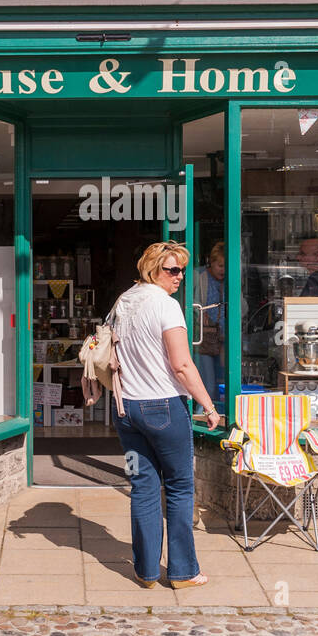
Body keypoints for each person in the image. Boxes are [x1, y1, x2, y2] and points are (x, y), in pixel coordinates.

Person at [111, 241, 222, 589]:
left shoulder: (124, 301)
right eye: (171, 269)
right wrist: (208, 404)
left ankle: (145, 571)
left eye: (182, 270)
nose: (178, 276)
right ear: (152, 269)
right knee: (178, 488)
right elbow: (182, 364)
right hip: (162, 407)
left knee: (142, 487)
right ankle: (183, 572)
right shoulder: (166, 306)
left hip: (126, 408)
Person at [193, 241, 227, 408]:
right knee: (208, 383)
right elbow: (190, 303)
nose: (223, 269)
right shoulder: (199, 277)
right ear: (211, 262)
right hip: (204, 337)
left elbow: (242, 307)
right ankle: (203, 414)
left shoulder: (229, 282)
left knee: (223, 383)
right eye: (220, 265)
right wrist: (200, 314)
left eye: (226, 266)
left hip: (223, 338)